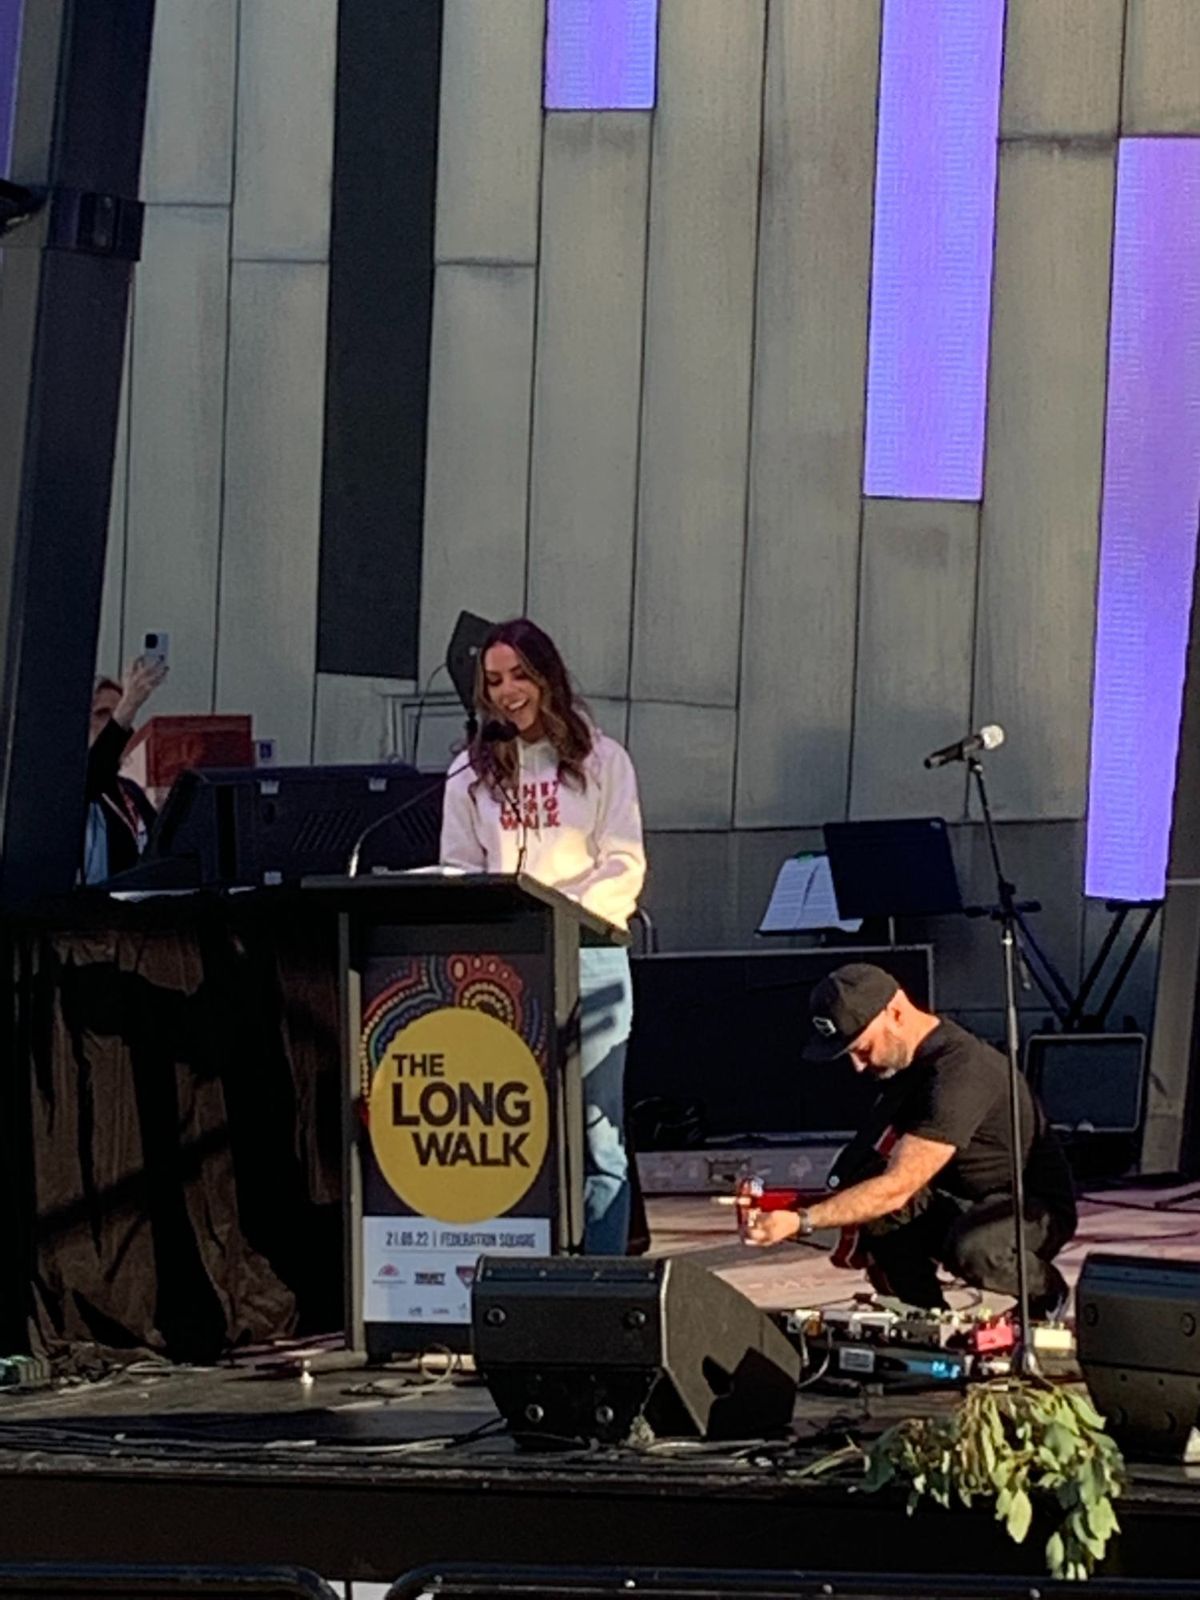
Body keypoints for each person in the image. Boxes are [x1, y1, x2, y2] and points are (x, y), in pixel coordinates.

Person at [439, 618, 647, 1255]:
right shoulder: (468, 772)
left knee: (597, 1132)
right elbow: (458, 867)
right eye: (494, 681)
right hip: (509, 964)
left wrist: (563, 915)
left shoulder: (603, 760)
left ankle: (600, 1276)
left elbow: (624, 862)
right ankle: (523, 1270)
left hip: (590, 959)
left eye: (519, 676)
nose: (507, 692)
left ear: (547, 676)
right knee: (514, 1126)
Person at [744, 963, 1077, 1319]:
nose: (858, 1066)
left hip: (1030, 1210)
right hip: (960, 1200)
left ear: (896, 1013)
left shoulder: (961, 1071)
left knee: (973, 1247)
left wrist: (802, 1220)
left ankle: (1047, 1295)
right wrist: (774, 1204)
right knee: (871, 1192)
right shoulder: (908, 1067)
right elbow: (869, 1172)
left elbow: (898, 1186)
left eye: (863, 1048)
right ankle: (924, 1317)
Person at [83, 655, 167, 883]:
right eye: (103, 714)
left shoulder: (131, 791)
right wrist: (128, 706)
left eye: (117, 715)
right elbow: (94, 775)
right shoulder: (61, 786)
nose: (117, 724)